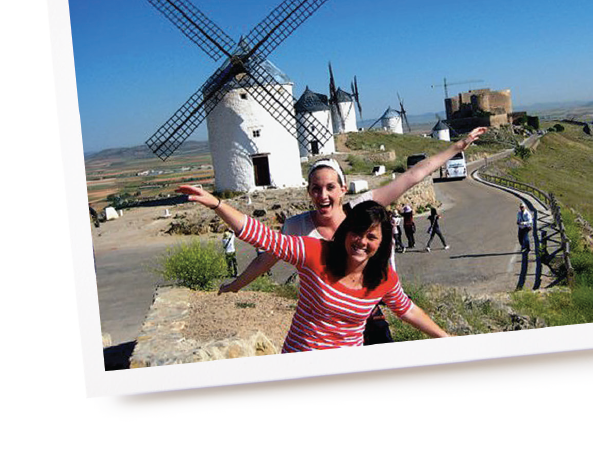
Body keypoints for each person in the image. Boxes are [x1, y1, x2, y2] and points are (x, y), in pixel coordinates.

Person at [219, 128, 486, 295]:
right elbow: (264, 260)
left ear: (343, 189)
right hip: (322, 318)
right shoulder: (296, 226)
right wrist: (235, 286)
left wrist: (457, 147)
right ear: (309, 191)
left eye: (330, 187)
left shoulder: (360, 208)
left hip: (367, 309)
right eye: (315, 188)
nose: (322, 195)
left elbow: (414, 175)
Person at [176, 188, 448, 351]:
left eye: (371, 237)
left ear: (383, 242)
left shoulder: (383, 278)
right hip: (300, 363)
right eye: (357, 232)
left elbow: (407, 309)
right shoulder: (315, 252)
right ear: (345, 231)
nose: (362, 242)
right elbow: (263, 237)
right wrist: (217, 203)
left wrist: (448, 340)